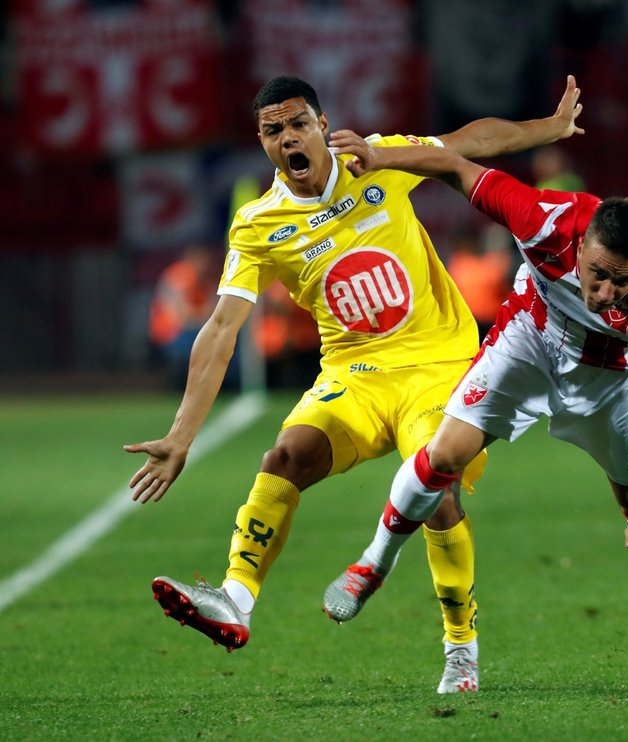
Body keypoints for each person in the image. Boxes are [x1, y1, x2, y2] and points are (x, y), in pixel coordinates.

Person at [124, 74, 585, 694]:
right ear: (262, 144)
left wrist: (545, 130)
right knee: (284, 457)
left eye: (297, 124)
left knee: (435, 490)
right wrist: (181, 434)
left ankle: (461, 650)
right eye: (272, 131)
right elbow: (221, 327)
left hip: (436, 367)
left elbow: (464, 144)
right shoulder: (258, 224)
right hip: (354, 378)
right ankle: (235, 598)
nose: (288, 138)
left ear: (321, 125)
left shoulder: (376, 159)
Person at [319, 135, 628, 651]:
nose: (604, 294)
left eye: (620, 282)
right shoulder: (542, 218)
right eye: (597, 274)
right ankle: (373, 563)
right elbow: (452, 165)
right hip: (530, 340)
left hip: (609, 378)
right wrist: (381, 158)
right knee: (443, 454)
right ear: (581, 246)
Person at [148, 243, 221, 389]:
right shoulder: (179, 276)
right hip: (171, 331)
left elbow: (214, 309)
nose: (205, 266)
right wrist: (205, 316)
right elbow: (181, 314)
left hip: (192, 329)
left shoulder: (205, 278)